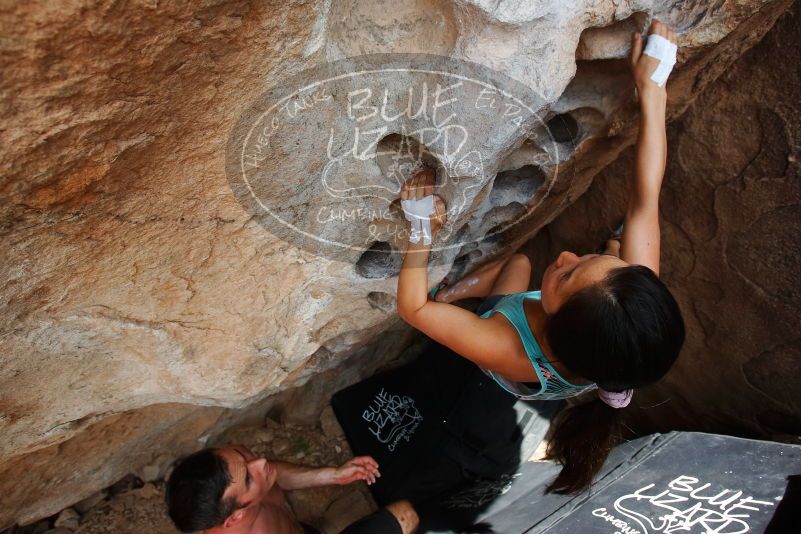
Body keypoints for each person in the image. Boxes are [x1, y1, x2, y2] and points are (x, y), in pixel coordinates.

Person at [395, 19, 686, 494]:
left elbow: (414, 308)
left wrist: (421, 223)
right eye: (602, 263)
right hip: (570, 334)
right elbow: (644, 196)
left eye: (568, 276)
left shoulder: (508, 349)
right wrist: (652, 88)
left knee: (518, 266)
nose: (568, 254)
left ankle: (462, 291)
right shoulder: (628, 295)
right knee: (567, 252)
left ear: (554, 314)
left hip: (515, 336)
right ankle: (553, 271)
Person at [165, 445, 418, 533]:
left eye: (243, 457)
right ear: (236, 517)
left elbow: (275, 474)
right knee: (405, 515)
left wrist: (332, 475)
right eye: (249, 479)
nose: (261, 462)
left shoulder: (230, 468)